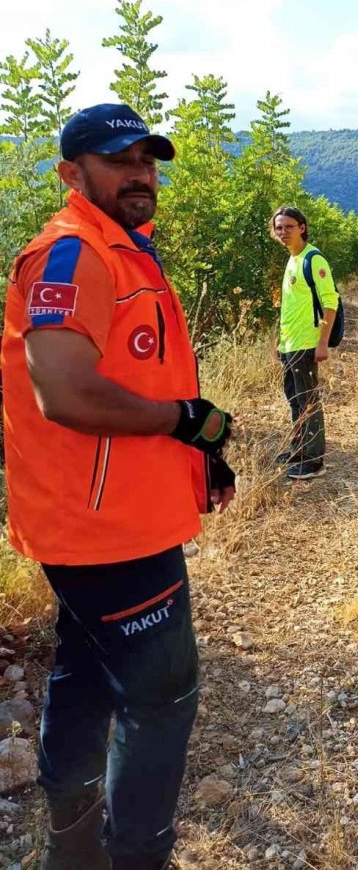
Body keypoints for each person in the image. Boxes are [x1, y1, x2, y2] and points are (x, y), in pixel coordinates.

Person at [0, 103, 236, 870]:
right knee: (161, 693)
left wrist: (200, 450)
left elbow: (142, 378)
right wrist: (180, 417)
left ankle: (71, 849)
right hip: (103, 531)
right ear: (72, 173)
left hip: (121, 515)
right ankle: (135, 857)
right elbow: (63, 392)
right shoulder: (70, 255)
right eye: (118, 159)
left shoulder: (123, 247)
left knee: (86, 665)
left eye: (148, 158)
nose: (140, 172)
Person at [270, 206, 339, 480]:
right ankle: (298, 449)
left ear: (302, 227)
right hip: (290, 345)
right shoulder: (293, 259)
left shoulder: (313, 259)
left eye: (288, 226)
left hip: (306, 344)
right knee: (295, 399)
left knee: (308, 401)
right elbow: (292, 306)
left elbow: (329, 303)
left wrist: (322, 343)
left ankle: (313, 461)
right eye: (279, 227)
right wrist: (281, 341)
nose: (283, 232)